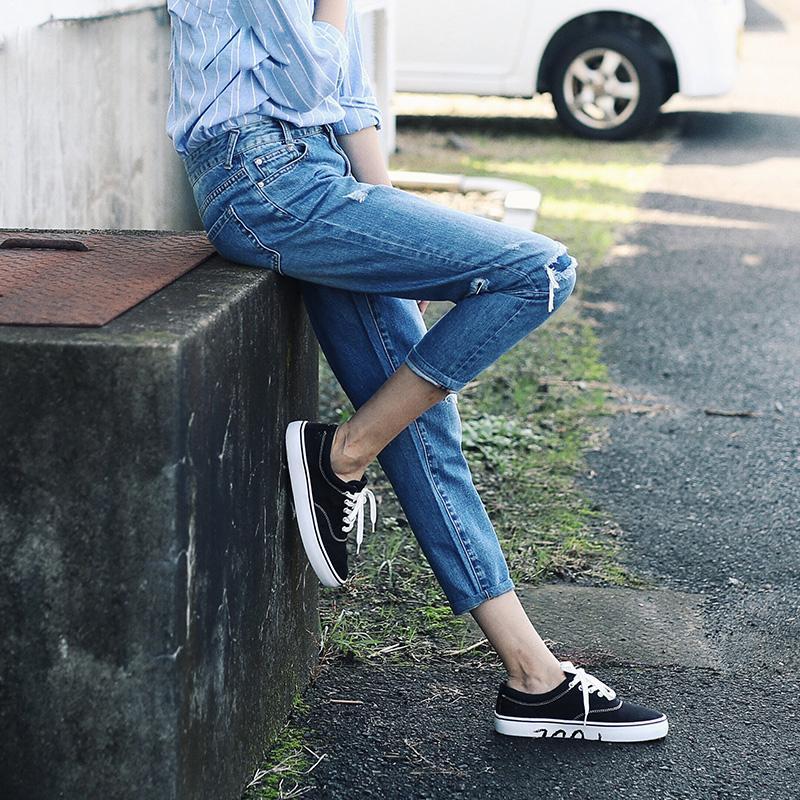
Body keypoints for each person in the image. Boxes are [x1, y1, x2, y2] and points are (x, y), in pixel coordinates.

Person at [166, 0, 667, 742]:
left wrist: (394, 224)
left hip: (319, 177)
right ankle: (344, 453)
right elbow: (308, 80)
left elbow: (349, 101)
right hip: (263, 180)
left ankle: (534, 680)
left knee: (420, 413)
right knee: (543, 270)